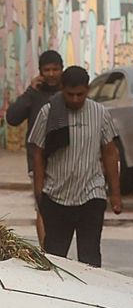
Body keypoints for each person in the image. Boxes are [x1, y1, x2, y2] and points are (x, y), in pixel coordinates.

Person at [28, 65, 122, 267]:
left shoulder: (100, 113)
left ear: (87, 90)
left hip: (91, 193)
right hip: (56, 196)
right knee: (54, 258)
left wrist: (115, 194)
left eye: (80, 94)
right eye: (70, 94)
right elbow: (38, 153)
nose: (75, 99)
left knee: (89, 259)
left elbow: (110, 152)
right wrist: (39, 193)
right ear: (62, 89)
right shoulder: (49, 112)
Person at [6, 49, 64, 245]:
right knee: (42, 207)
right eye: (47, 69)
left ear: (61, 70)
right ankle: (47, 252)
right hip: (38, 161)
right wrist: (30, 92)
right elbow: (12, 118)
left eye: (55, 69)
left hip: (66, 160)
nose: (51, 74)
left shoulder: (69, 92)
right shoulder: (35, 94)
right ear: (40, 71)